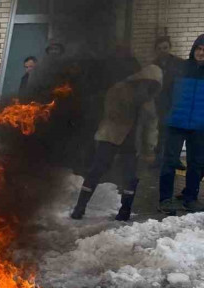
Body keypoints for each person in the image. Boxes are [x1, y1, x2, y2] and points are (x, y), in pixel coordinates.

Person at [70, 65, 162, 221]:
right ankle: (80, 207)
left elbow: (151, 126)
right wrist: (135, 103)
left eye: (152, 85)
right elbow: (112, 114)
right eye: (146, 83)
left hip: (132, 142)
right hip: (110, 137)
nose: (147, 87)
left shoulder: (148, 101)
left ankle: (125, 210)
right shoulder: (119, 89)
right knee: (96, 170)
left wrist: (149, 149)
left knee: (131, 176)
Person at [158, 34, 204, 215]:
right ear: (194, 49)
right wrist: (164, 115)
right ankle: (165, 200)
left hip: (200, 126)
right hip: (175, 123)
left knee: (196, 163)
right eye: (199, 49)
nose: (201, 53)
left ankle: (190, 199)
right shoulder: (180, 68)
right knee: (169, 161)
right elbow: (164, 94)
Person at [152, 36, 186, 166]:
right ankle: (158, 159)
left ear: (170, 48)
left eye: (165, 47)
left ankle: (174, 159)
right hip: (161, 103)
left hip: (176, 103)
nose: (163, 51)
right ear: (156, 50)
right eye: (159, 48)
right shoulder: (153, 66)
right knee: (161, 131)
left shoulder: (180, 64)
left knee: (176, 133)